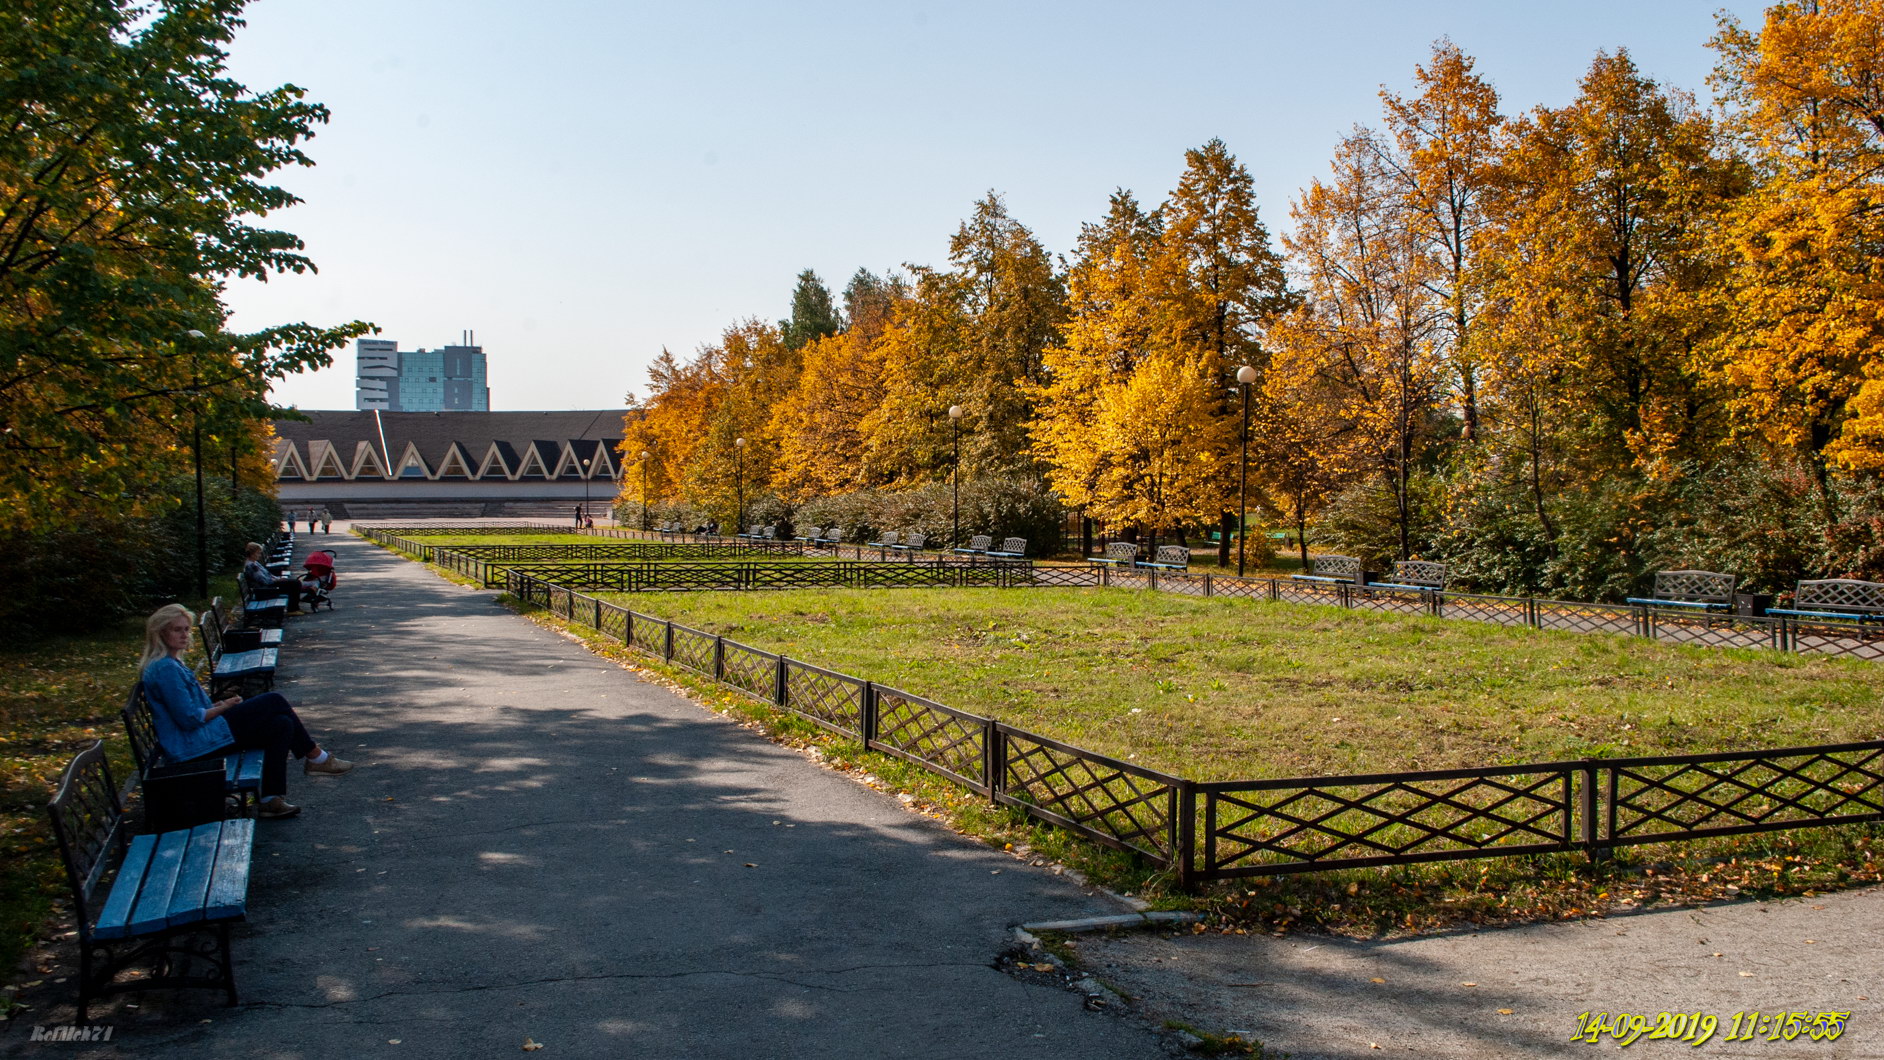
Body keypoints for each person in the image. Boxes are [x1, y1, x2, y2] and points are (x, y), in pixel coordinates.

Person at [139, 604, 353, 819]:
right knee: (274, 700)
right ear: (160, 632)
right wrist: (225, 707)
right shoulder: (165, 669)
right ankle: (316, 757)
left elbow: (194, 710)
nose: (184, 635)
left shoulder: (171, 663)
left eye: (186, 629)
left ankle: (270, 800)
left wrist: (223, 705)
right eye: (177, 630)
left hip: (200, 737)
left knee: (281, 724)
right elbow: (190, 719)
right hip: (192, 746)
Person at [242, 541, 306, 614]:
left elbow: (267, 574)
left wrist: (277, 578)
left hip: (268, 585)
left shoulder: (254, 563)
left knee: (294, 583)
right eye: (258, 553)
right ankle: (292, 609)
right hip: (266, 590)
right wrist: (276, 581)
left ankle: (294, 608)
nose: (259, 555)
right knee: (295, 584)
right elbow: (263, 580)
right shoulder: (251, 566)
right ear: (252, 553)